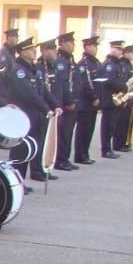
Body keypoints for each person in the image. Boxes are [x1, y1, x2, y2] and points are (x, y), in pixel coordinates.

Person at [0, 36, 55, 189]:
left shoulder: (34, 69)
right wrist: (46, 108)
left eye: (33, 49)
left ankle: (24, 180)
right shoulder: (18, 70)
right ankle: (16, 181)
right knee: (20, 151)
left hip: (36, 116)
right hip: (23, 116)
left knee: (31, 149)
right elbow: (28, 94)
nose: (34, 51)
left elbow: (43, 91)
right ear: (22, 52)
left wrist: (54, 106)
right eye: (30, 49)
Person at [32, 38, 61, 181]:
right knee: (38, 140)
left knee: (45, 140)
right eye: (52, 49)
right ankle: (36, 170)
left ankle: (42, 168)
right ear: (45, 51)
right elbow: (39, 91)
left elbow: (49, 90)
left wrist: (55, 104)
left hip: (48, 108)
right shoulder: (38, 67)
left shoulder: (51, 66)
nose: (55, 52)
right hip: (40, 110)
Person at [52, 32, 80, 171]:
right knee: (63, 133)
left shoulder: (69, 59)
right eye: (70, 42)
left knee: (68, 133)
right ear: (62, 43)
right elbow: (63, 83)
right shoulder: (61, 60)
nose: (73, 45)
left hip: (73, 101)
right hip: (65, 103)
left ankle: (65, 158)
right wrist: (69, 101)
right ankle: (60, 160)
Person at [97, 38, 127, 158]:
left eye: (121, 50)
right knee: (107, 125)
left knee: (111, 125)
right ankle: (106, 150)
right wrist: (123, 86)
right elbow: (109, 80)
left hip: (115, 99)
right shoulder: (109, 64)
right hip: (109, 99)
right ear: (112, 49)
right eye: (117, 49)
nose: (120, 52)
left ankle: (108, 149)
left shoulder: (116, 64)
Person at [74, 35, 101, 164]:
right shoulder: (83, 63)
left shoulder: (95, 62)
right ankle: (80, 155)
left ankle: (85, 153)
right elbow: (85, 83)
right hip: (86, 102)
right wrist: (93, 97)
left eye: (96, 46)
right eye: (93, 46)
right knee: (83, 130)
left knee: (89, 130)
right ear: (87, 47)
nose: (95, 48)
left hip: (93, 103)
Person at [113, 42, 133, 152]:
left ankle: (123, 142)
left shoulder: (129, 65)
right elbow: (123, 81)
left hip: (128, 97)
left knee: (126, 122)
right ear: (127, 53)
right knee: (121, 122)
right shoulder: (123, 65)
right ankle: (118, 144)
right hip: (123, 97)